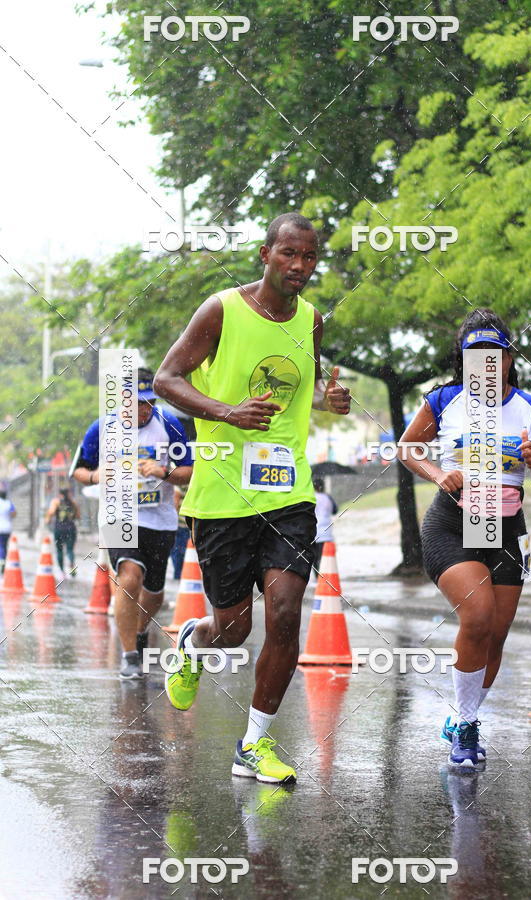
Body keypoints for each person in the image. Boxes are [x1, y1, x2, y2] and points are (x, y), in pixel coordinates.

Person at [153, 212, 351, 784]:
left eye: (309, 256)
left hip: (289, 491)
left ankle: (254, 743)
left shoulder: (311, 320)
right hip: (222, 492)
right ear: (265, 254)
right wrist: (226, 412)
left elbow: (297, 388)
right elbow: (167, 378)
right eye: (289, 253)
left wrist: (328, 400)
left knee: (285, 613)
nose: (299, 266)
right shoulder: (221, 310)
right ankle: (194, 641)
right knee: (233, 628)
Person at [398, 309, 531, 767]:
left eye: (495, 354)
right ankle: (467, 728)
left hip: (507, 527)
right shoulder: (444, 400)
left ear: (509, 359)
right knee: (479, 615)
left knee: (496, 636)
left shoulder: (530, 407)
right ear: (464, 361)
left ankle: (461, 714)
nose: (486, 363)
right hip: (453, 523)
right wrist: (437, 473)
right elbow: (407, 448)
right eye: (476, 355)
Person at [73, 368, 193, 679]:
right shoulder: (102, 427)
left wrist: (163, 472)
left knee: (154, 593)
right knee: (129, 577)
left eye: (149, 401)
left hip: (160, 521)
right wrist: (97, 476)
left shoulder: (170, 424)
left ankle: (138, 633)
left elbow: (190, 470)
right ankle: (129, 656)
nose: (144, 409)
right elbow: (79, 471)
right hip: (118, 516)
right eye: (138, 402)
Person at [45, 487, 80, 578]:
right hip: (71, 528)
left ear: (60, 494)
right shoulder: (73, 502)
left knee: (59, 550)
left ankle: (62, 572)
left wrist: (48, 520)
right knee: (70, 550)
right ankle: (72, 567)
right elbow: (78, 515)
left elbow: (51, 512)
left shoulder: (56, 502)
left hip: (59, 529)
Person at [312, 476, 338, 573]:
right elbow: (335, 510)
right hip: (327, 533)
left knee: (315, 559)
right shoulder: (328, 498)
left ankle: (318, 577)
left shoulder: (312, 498)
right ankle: (324, 576)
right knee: (325, 559)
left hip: (315, 533)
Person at [170, 487, 190, 580]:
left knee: (178, 553)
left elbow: (176, 500)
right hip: (186, 524)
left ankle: (179, 576)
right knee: (181, 553)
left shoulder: (181, 482)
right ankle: (180, 576)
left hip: (180, 524)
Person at [0, 489, 16, 574]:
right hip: (7, 528)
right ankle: (3, 561)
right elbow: (14, 514)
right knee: (4, 546)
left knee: (1, 546)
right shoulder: (9, 503)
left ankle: (1, 562)